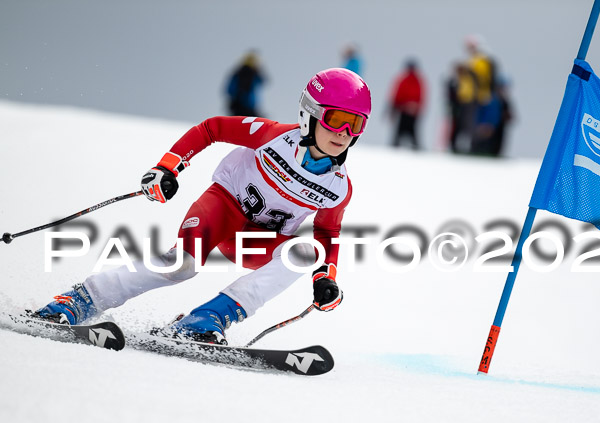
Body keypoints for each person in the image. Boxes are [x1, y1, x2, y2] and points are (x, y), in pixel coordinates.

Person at [31, 68, 372, 345]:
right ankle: (77, 301)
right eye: (336, 118)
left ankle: (206, 319)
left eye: (355, 123)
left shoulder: (339, 188)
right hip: (223, 210)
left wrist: (325, 277)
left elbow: (328, 232)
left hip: (257, 241)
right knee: (181, 265)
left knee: (305, 253)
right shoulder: (271, 136)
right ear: (309, 115)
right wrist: (168, 166)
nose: (343, 132)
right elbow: (212, 128)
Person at [388, 59, 425, 150]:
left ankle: (398, 146)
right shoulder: (412, 80)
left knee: (409, 130)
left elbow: (397, 95)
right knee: (403, 130)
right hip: (405, 110)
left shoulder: (411, 80)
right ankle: (397, 146)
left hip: (409, 111)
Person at [225, 51, 266, 117]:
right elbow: (263, 81)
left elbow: (229, 90)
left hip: (239, 105)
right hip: (245, 105)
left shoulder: (238, 73)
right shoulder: (251, 74)